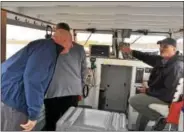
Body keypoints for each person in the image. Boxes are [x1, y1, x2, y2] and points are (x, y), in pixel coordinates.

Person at [1, 24, 73, 131]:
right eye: (70, 42)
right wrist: (33, 114)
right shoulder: (46, 50)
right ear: (63, 40)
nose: (72, 45)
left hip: (11, 95)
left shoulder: (46, 47)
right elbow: (33, 80)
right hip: (15, 100)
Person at [121, 38, 183, 131]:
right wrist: (130, 51)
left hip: (167, 100)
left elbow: (167, 93)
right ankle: (139, 129)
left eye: (165, 46)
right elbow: (146, 57)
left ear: (174, 49)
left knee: (134, 100)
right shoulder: (165, 60)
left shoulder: (175, 66)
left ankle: (161, 119)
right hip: (162, 94)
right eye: (161, 46)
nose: (161, 48)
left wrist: (148, 91)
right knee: (144, 108)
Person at [42, 23, 87, 131]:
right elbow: (84, 71)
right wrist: (80, 90)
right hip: (73, 91)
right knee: (69, 123)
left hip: (52, 91)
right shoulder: (80, 49)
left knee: (51, 123)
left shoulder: (47, 47)